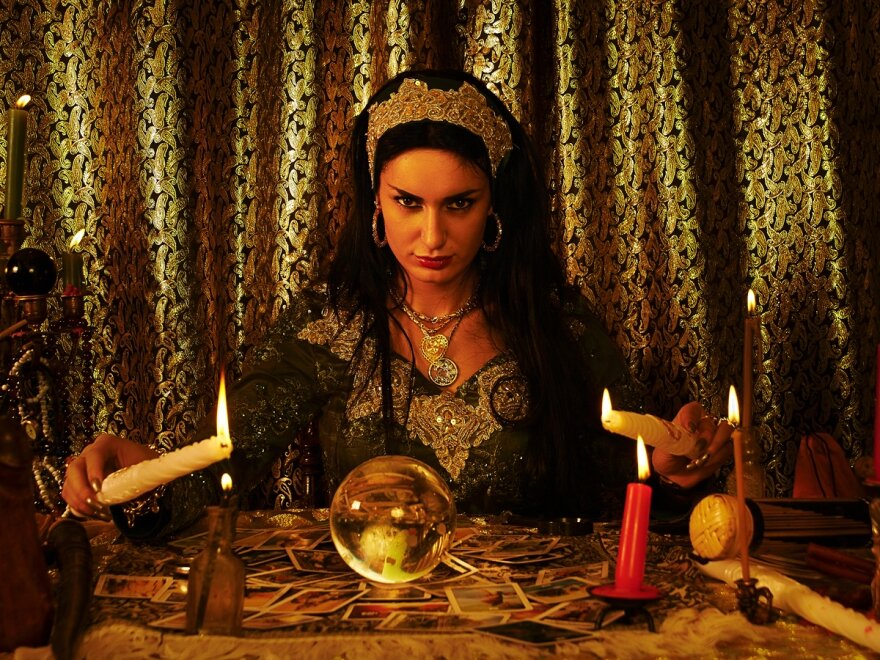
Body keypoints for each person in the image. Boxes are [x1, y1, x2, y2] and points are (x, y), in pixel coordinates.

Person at [62, 69, 732, 538]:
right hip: (373, 620)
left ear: (495, 206)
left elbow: (627, 491)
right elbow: (220, 458)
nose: (432, 236)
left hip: (528, 624)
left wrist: (673, 470)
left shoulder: (552, 321)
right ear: (376, 204)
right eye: (408, 202)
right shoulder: (331, 324)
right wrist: (142, 475)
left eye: (459, 204)